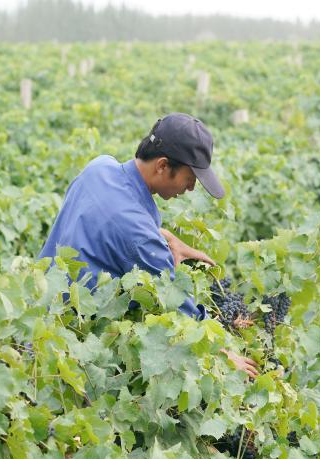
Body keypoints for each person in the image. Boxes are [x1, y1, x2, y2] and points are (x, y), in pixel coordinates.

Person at [38, 112, 259, 378]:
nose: (190, 188)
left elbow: (114, 215)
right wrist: (222, 353)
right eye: (190, 178)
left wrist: (161, 235)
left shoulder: (99, 167)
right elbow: (179, 310)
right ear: (163, 166)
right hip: (67, 351)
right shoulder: (141, 239)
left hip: (39, 318)